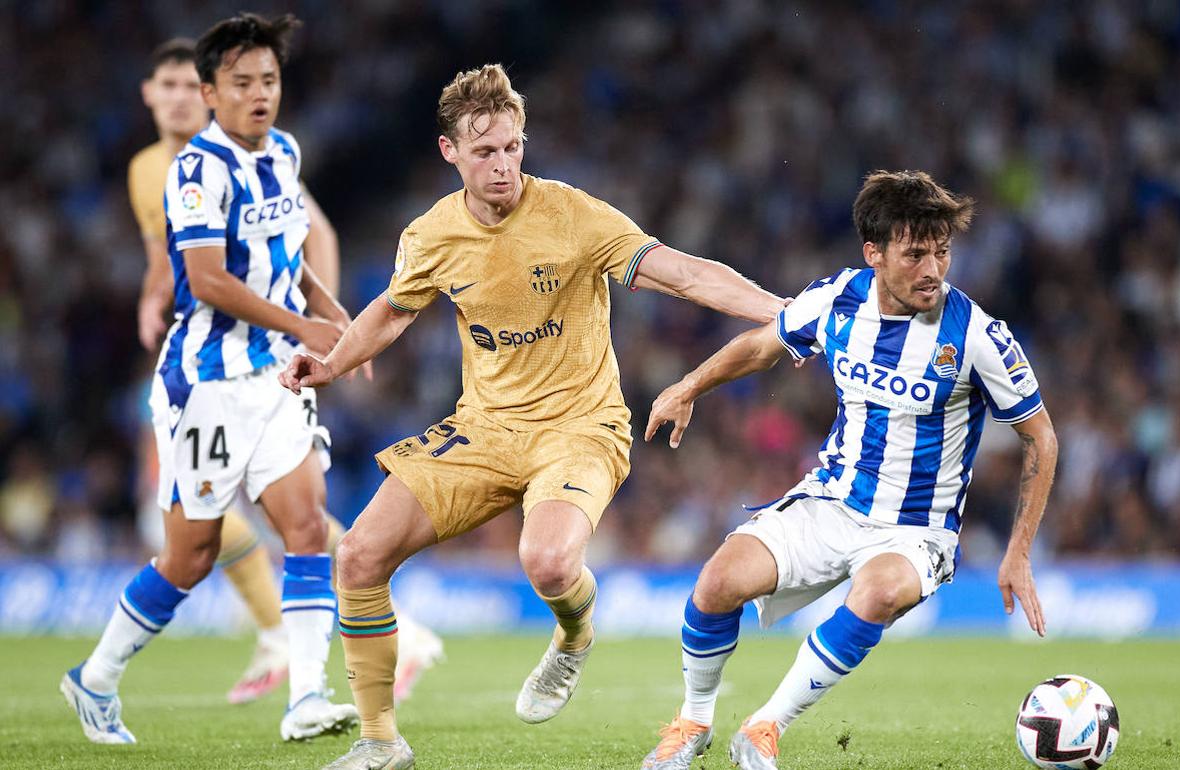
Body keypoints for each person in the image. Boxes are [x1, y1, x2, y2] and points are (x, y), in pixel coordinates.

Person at [277, 64, 786, 769]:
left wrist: (785, 313)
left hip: (581, 427)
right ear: (450, 152)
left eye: (513, 147)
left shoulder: (574, 215)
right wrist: (333, 364)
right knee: (358, 556)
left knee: (546, 562)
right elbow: (393, 311)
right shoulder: (431, 234)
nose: (503, 165)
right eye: (485, 151)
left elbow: (685, 272)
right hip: (484, 428)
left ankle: (575, 633)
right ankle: (380, 741)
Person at [639, 170, 1059, 770]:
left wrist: (1018, 551)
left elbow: (1040, 436)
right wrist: (689, 386)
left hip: (916, 529)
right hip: (832, 500)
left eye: (942, 253)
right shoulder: (837, 300)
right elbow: (761, 346)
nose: (933, 270)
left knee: (880, 591)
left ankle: (764, 728)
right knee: (717, 583)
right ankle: (694, 722)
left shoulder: (977, 336)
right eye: (915, 255)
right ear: (874, 253)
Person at [62, 13, 361, 744]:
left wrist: (334, 314)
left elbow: (288, 256)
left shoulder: (284, 151)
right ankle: (95, 677)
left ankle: (307, 696)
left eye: (270, 80)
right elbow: (207, 280)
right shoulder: (196, 171)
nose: (260, 94)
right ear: (209, 93)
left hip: (274, 379)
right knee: (189, 557)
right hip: (205, 385)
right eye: (242, 82)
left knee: (306, 527)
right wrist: (304, 327)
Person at [126, 38, 443, 707]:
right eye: (168, 86)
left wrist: (320, 331)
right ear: (150, 94)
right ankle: (309, 633)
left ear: (208, 94)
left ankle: (298, 633)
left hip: (262, 352)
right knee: (237, 509)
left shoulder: (252, 156)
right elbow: (172, 260)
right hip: (203, 346)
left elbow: (311, 235)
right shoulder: (150, 169)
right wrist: (153, 296)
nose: (180, 99)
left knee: (269, 511)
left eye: (189, 86)